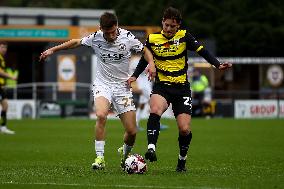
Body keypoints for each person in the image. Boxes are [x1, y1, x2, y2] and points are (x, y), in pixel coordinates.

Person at [39, 12, 154, 170]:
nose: (112, 35)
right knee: (101, 115)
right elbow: (75, 42)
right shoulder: (96, 37)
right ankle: (100, 158)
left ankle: (125, 154)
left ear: (117, 26)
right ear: (101, 29)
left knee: (132, 131)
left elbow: (145, 51)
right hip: (103, 85)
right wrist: (53, 50)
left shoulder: (127, 37)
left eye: (114, 31)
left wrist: (152, 65)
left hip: (122, 88)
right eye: (108, 32)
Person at [128, 7, 232, 172]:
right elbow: (144, 60)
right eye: (166, 25)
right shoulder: (152, 39)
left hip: (182, 89)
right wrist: (134, 75)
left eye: (172, 26)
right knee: (155, 109)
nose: (168, 29)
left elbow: (202, 51)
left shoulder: (184, 37)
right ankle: (151, 148)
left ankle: (181, 161)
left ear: (178, 26)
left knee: (184, 129)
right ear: (162, 22)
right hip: (162, 86)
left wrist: (217, 64)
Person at [0, 41, 18, 134]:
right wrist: (11, 77)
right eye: (2, 47)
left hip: (1, 86)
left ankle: (3, 127)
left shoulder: (2, 59)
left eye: (5, 47)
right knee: (5, 104)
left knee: (5, 105)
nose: (4, 49)